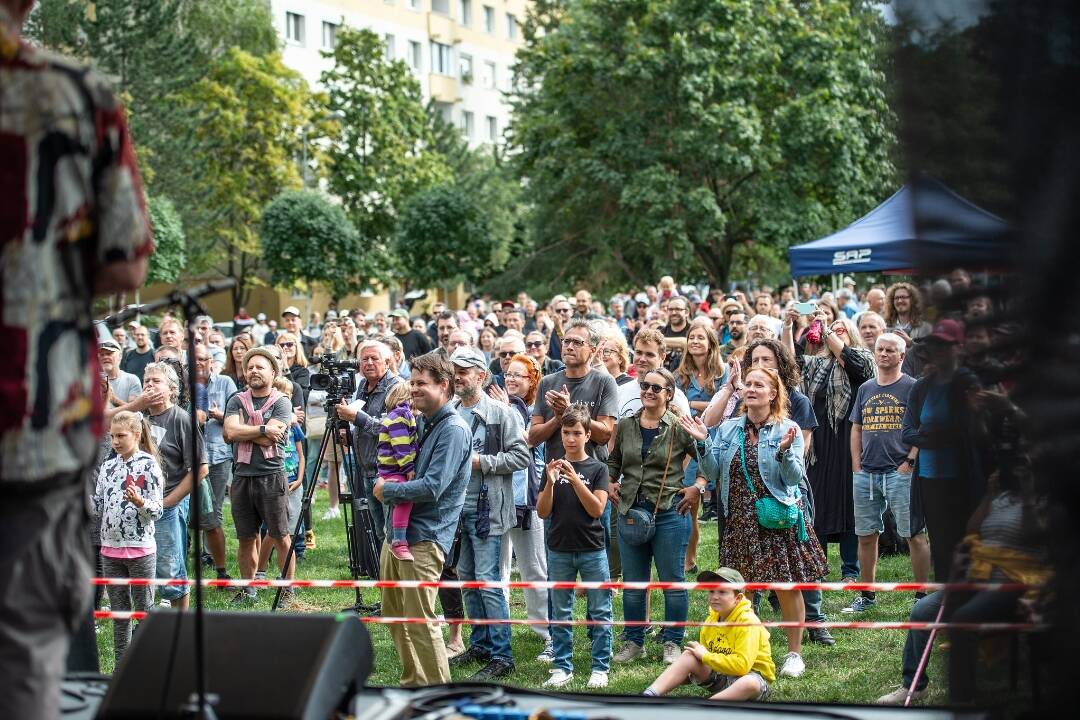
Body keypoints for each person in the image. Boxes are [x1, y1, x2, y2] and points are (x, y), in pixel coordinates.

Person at [691, 367, 828, 680]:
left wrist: (783, 454)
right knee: (743, 589)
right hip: (740, 520)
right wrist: (702, 444)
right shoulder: (727, 429)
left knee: (785, 587)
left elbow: (794, 479)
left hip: (776, 518)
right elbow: (712, 473)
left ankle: (794, 654)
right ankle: (747, 653)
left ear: (773, 393)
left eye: (759, 385)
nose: (751, 389)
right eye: (748, 384)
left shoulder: (787, 428)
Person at [373, 351, 472, 687]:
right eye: (411, 382)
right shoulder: (423, 421)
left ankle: (437, 694)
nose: (413, 389)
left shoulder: (454, 430)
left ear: (443, 385)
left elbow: (432, 488)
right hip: (397, 535)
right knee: (395, 615)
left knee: (420, 620)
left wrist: (388, 491)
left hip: (424, 539)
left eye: (421, 384)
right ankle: (413, 686)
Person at [610, 368, 704, 666]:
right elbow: (614, 460)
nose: (648, 391)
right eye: (644, 386)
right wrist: (611, 481)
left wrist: (697, 488)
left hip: (669, 513)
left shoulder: (678, 427)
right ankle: (634, 641)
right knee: (634, 583)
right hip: (632, 512)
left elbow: (707, 459)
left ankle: (672, 642)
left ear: (668, 394)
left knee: (671, 581)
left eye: (656, 388)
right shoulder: (625, 425)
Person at [446, 347, 529, 681]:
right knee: (467, 579)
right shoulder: (450, 411)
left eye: (464, 371)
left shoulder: (502, 413)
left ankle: (501, 654)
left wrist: (484, 463)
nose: (457, 377)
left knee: (488, 582)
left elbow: (521, 457)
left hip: (489, 509)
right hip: (457, 510)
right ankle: (480, 645)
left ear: (480, 375)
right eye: (454, 371)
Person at [784, 307, 875, 586]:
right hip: (820, 440)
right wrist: (790, 327)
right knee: (817, 501)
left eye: (840, 329)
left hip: (849, 438)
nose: (832, 333)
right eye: (829, 331)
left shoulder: (862, 358)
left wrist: (825, 329)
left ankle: (851, 569)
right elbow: (792, 362)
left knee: (849, 502)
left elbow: (850, 360)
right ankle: (818, 565)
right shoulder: (816, 363)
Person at [845, 333, 930, 614]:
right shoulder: (866, 388)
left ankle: (922, 594)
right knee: (866, 536)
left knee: (913, 533)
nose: (883, 354)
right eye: (880, 349)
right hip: (866, 473)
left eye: (890, 350)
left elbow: (923, 427)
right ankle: (866, 595)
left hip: (901, 471)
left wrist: (910, 461)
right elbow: (856, 428)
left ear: (901, 356)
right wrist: (856, 465)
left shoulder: (913, 387)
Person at [901, 318, 985, 583]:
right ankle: (948, 597)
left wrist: (931, 436)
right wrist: (936, 439)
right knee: (940, 543)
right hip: (929, 479)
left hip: (964, 478)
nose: (940, 351)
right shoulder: (922, 386)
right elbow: (907, 432)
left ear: (958, 349)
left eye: (946, 346)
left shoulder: (968, 382)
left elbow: (973, 432)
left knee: (967, 541)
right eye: (935, 345)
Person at [537, 404, 613, 689]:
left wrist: (575, 480)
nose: (570, 438)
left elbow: (596, 509)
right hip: (559, 548)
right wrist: (551, 484)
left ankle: (600, 666)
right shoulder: (552, 468)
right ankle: (561, 666)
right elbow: (543, 512)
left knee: (600, 609)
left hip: (592, 548)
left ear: (588, 435)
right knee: (560, 611)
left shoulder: (598, 468)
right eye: (566, 433)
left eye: (576, 433)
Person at [489, 354, 553, 659]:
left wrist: (504, 408)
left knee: (534, 567)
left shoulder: (536, 412)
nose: (511, 379)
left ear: (532, 381)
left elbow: (525, 441)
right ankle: (498, 629)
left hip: (527, 499)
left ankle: (547, 632)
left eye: (519, 376)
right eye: (508, 374)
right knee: (497, 567)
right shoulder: (495, 407)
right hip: (496, 499)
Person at [222, 348, 297, 606]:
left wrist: (245, 430)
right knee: (246, 537)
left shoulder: (282, 402)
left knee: (280, 535)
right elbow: (230, 431)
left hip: (271, 476)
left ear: (273, 372)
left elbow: (272, 435)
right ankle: (248, 589)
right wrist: (263, 428)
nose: (253, 371)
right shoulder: (235, 399)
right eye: (250, 367)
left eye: (260, 367)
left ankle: (287, 589)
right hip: (242, 477)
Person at [642, 567, 775, 701]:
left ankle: (708, 708)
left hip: (753, 679)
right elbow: (704, 659)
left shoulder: (748, 622)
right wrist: (684, 672)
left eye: (722, 592)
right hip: (722, 676)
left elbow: (742, 666)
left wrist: (705, 656)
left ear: (738, 598)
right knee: (689, 655)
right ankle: (649, 695)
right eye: (711, 591)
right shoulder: (711, 620)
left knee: (749, 683)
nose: (715, 597)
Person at [93, 412, 164, 663]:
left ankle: (145, 665)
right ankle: (120, 667)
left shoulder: (148, 465)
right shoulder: (108, 466)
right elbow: (98, 505)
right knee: (119, 614)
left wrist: (141, 502)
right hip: (110, 550)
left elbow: (157, 510)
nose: (115, 441)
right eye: (112, 436)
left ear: (136, 434)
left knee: (144, 611)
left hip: (140, 550)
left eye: (121, 436)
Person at [142, 362, 206, 610]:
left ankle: (183, 626)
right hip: (141, 505)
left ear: (171, 388)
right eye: (146, 381)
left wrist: (169, 502)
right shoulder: (141, 417)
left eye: (155, 381)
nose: (149, 385)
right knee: (145, 566)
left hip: (168, 504)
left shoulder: (181, 419)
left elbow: (201, 469)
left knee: (171, 567)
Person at [336, 340, 405, 543]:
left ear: (387, 361)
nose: (368, 363)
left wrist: (356, 417)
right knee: (378, 532)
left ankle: (393, 574)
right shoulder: (363, 386)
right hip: (365, 468)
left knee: (392, 533)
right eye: (364, 359)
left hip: (388, 472)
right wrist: (348, 432)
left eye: (374, 358)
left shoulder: (397, 387)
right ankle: (380, 573)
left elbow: (391, 426)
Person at [675, 319, 727, 573]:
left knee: (727, 507)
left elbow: (727, 405)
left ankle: (728, 561)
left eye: (700, 338)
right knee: (689, 504)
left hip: (720, 442)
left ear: (711, 344)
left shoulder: (723, 372)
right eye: (691, 337)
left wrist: (691, 406)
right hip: (690, 447)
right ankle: (689, 559)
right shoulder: (679, 376)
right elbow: (674, 408)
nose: (695, 341)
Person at [530, 319, 619, 462]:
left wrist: (569, 409)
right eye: (566, 341)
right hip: (555, 474)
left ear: (593, 350)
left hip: (592, 477)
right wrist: (558, 419)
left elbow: (604, 436)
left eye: (577, 343)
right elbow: (533, 438)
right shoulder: (547, 382)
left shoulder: (605, 382)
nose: (570, 347)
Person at [255, 377, 307, 580]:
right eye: (279, 393)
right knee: (273, 531)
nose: (284, 398)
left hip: (294, 482)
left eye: (288, 395)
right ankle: (260, 571)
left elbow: (301, 455)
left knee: (288, 532)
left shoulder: (295, 428)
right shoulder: (270, 423)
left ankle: (285, 577)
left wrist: (301, 478)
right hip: (276, 480)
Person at [194, 344, 237, 582]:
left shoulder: (225, 383)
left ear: (211, 361)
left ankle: (212, 558)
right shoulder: (184, 385)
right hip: (192, 457)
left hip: (218, 454)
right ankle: (200, 553)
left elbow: (235, 417)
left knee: (214, 508)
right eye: (195, 359)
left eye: (203, 359)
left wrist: (215, 415)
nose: (199, 363)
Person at [377, 382, 419, 560]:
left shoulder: (396, 414)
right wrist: (408, 467)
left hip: (391, 468)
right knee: (404, 498)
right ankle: (399, 541)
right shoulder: (402, 415)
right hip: (394, 468)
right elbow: (401, 444)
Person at [616, 328, 692, 417]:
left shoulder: (675, 397)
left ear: (662, 357)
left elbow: (685, 430)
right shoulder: (620, 391)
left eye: (649, 355)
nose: (642, 359)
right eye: (639, 353)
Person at [661, 295, 692, 371]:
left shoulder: (693, 331)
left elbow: (686, 344)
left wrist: (660, 341)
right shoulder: (661, 331)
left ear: (687, 312)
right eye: (670, 309)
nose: (673, 312)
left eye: (678, 309)